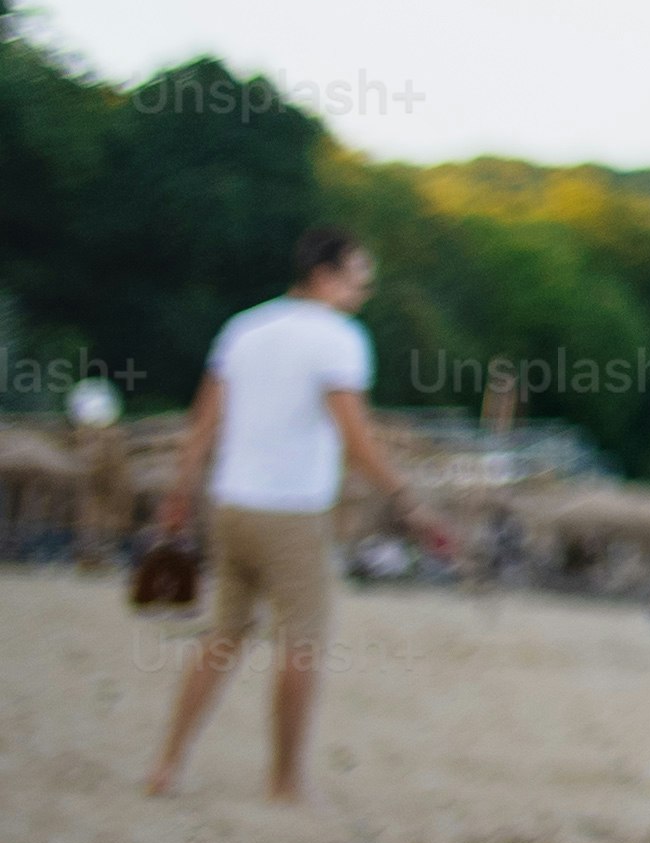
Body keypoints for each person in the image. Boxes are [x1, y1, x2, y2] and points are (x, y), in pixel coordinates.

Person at [143, 226, 447, 801]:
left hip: (230, 504)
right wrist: (409, 501)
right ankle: (284, 780)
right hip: (293, 513)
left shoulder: (245, 327)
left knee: (222, 636)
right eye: (360, 277)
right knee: (302, 644)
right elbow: (356, 441)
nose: (366, 289)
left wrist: (178, 496)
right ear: (326, 275)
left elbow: (201, 423)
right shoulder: (339, 339)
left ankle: (167, 765)